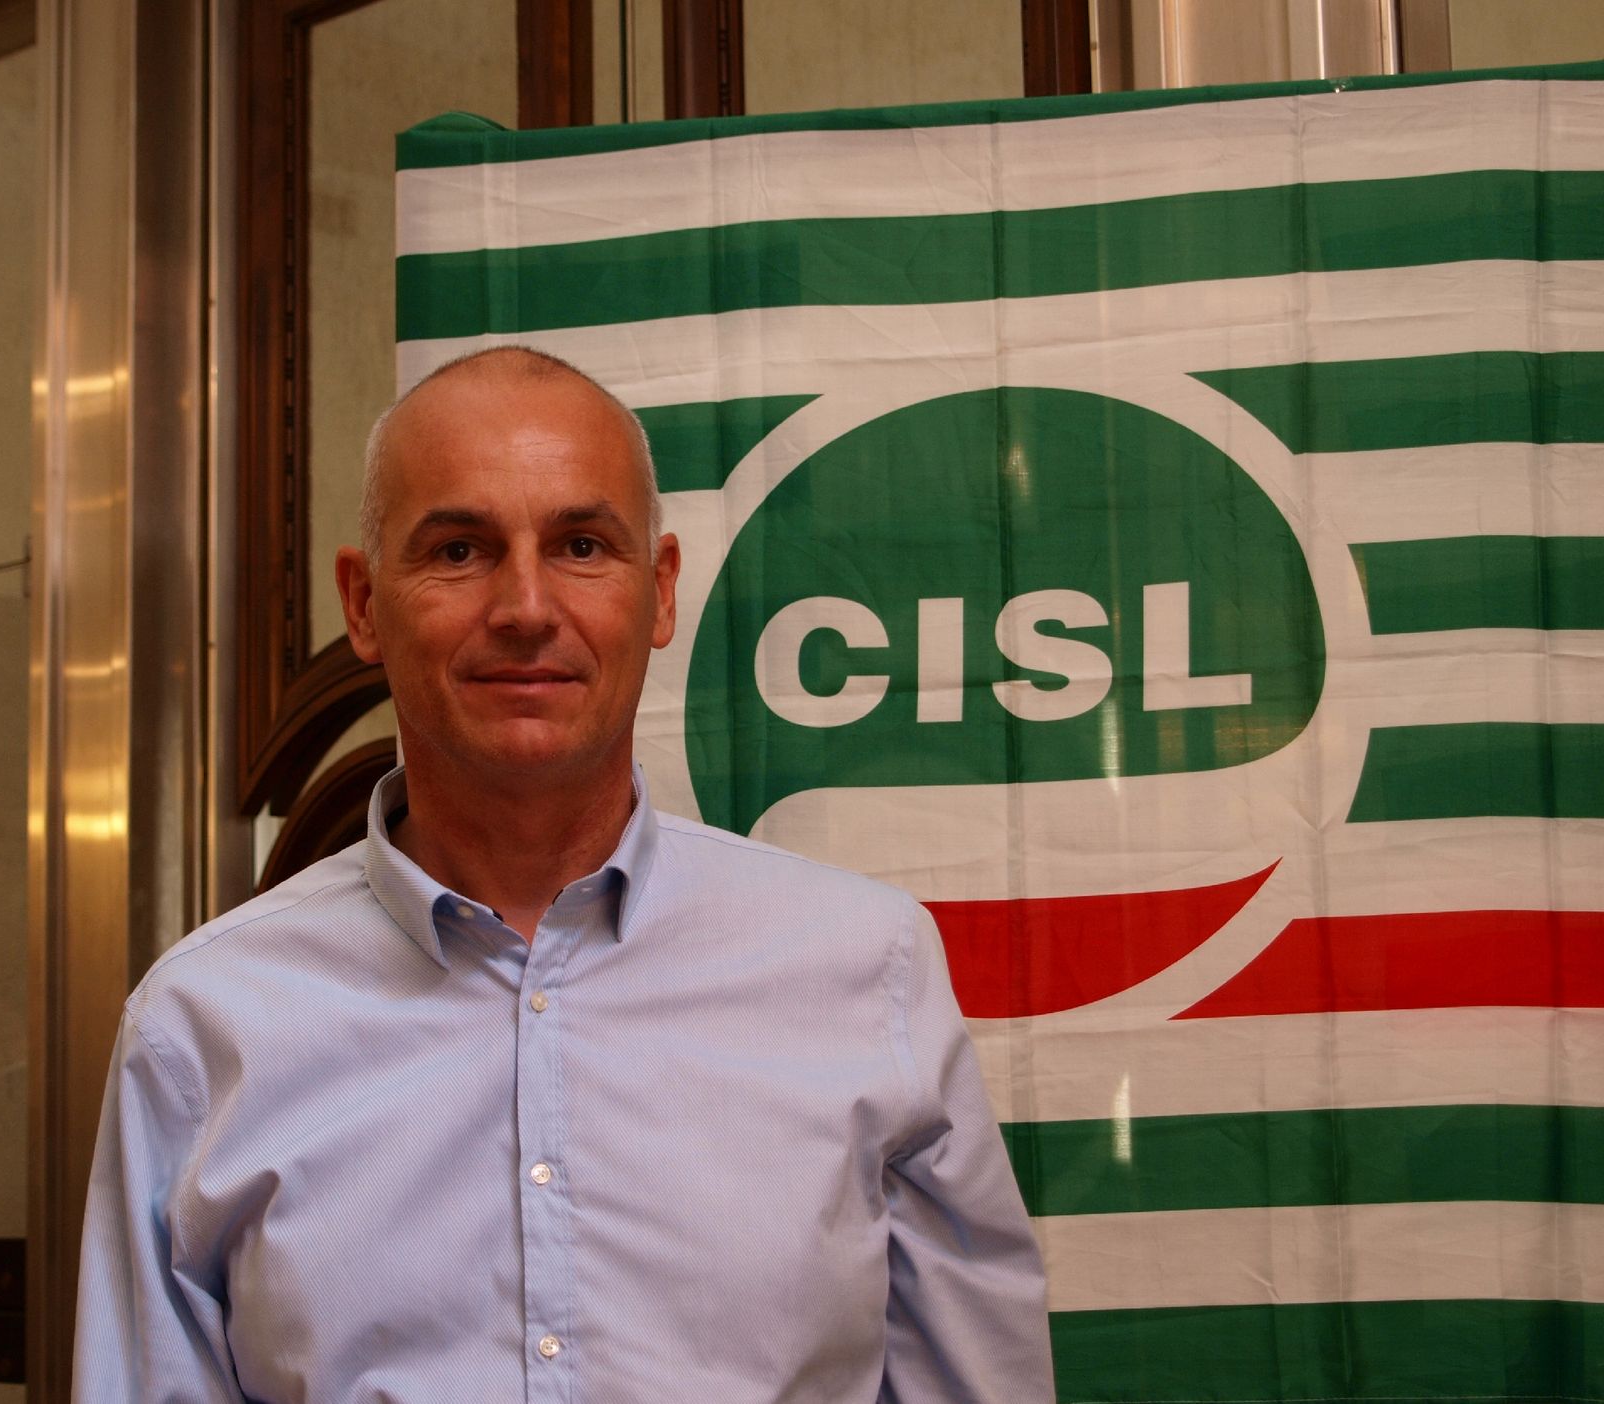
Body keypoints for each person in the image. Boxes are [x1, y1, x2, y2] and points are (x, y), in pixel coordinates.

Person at [73, 346, 1054, 1401]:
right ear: (362, 603)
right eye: (459, 550)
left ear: (660, 592)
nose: (527, 607)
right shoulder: (201, 1032)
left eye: (582, 545)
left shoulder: (867, 971)